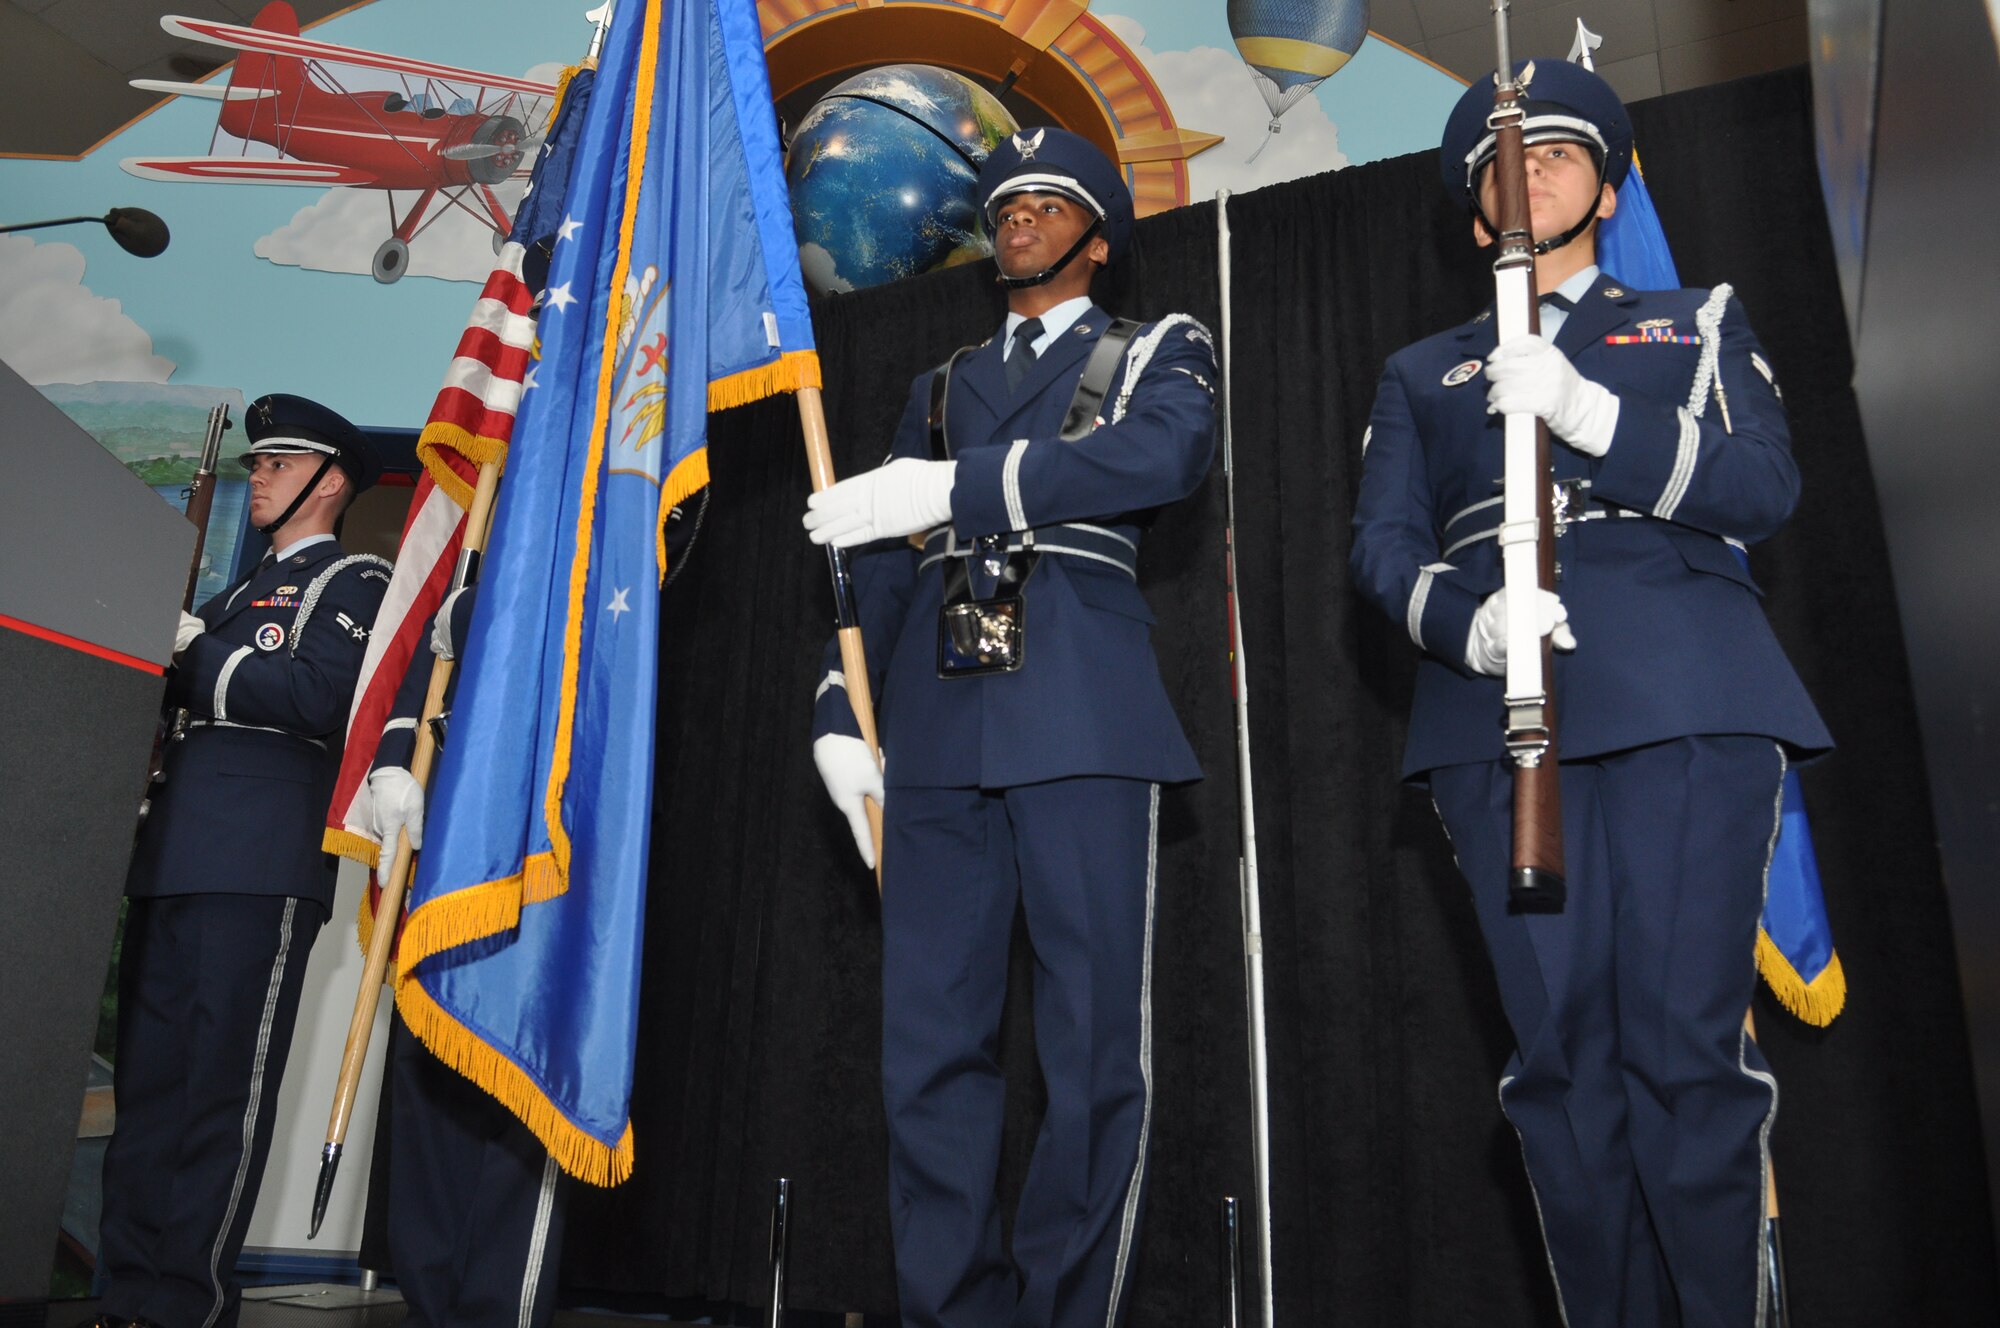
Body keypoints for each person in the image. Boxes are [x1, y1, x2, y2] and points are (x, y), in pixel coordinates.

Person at [1349, 61, 1831, 1327]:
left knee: (1682, 1052)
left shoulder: (1696, 319)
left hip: (1683, 696)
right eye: (1504, 162)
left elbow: (1763, 487)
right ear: (1473, 216)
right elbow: (1381, 552)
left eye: (1560, 153)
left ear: (1607, 191)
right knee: (1558, 1067)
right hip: (1500, 726)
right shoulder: (1419, 373)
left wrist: (1593, 415)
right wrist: (1472, 623)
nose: (1532, 171)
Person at [802, 127, 1216, 1328]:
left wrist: (958, 487)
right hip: (931, 729)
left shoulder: (1152, 348)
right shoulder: (935, 386)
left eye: (1049, 200)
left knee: (1089, 1058)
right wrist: (840, 714)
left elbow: (1165, 453)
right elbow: (875, 568)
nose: (1020, 215)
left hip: (1080, 717)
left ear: (1097, 235)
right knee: (926, 1054)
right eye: (1007, 201)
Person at [94, 395, 389, 1328]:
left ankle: (186, 1303)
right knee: (147, 1096)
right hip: (173, 856)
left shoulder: (350, 581)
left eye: (278, 463)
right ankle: (127, 1293)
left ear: (330, 479)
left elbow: (317, 698)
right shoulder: (232, 593)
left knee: (219, 1094)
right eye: (256, 462)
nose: (256, 476)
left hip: (259, 864)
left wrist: (195, 649)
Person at [362, 583, 569, 1328]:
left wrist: (476, 605)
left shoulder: (602, 517)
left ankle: (494, 1312)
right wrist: (393, 758)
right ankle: (428, 1306)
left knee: (518, 1088)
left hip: (542, 840)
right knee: (428, 1075)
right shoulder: (483, 560)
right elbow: (427, 665)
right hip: (452, 836)